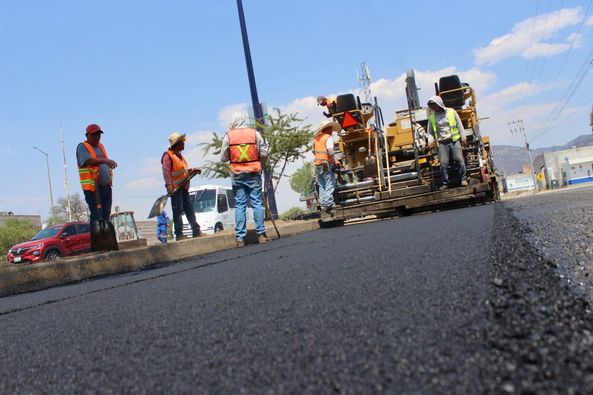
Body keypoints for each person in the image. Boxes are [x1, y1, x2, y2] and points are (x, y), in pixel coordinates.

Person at [220, 112, 269, 248]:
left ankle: (240, 238)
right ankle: (261, 235)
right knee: (257, 203)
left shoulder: (228, 136)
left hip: (237, 174)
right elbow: (264, 153)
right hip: (254, 172)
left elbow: (223, 158)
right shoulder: (255, 133)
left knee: (240, 205)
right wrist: (260, 164)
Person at [161, 132, 202, 241]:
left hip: (183, 187)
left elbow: (182, 171)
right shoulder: (168, 155)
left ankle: (196, 230)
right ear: (177, 144)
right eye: (182, 142)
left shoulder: (179, 156)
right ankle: (179, 234)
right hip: (175, 188)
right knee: (178, 210)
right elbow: (166, 172)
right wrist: (169, 186)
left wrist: (192, 170)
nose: (184, 144)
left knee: (189, 209)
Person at [76, 123, 118, 224]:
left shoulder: (101, 147)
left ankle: (106, 237)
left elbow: (102, 163)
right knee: (97, 215)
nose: (97, 137)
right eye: (94, 135)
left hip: (106, 187)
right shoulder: (82, 147)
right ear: (87, 136)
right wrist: (106, 161)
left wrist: (107, 166)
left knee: (106, 215)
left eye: (99, 135)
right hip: (93, 189)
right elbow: (87, 161)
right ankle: (96, 238)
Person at [426, 95, 468, 190]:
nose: (433, 107)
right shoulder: (432, 117)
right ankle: (445, 183)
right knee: (443, 163)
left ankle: (463, 179)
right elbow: (430, 132)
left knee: (459, 159)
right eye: (431, 106)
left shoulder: (451, 111)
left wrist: (463, 137)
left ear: (439, 104)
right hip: (442, 142)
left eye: (434, 105)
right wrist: (430, 141)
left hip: (454, 140)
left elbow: (459, 125)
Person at [313, 120, 341, 211]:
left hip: (317, 164)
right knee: (329, 183)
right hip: (326, 164)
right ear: (328, 129)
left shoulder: (316, 138)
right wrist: (335, 160)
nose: (332, 131)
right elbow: (330, 150)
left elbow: (313, 151)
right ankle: (328, 204)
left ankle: (323, 203)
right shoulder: (328, 137)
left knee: (321, 185)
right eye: (331, 129)